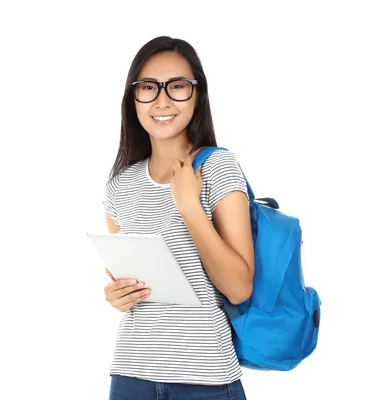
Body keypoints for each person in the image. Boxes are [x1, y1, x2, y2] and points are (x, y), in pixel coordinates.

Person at [102, 36, 254, 400]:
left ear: (196, 95)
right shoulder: (120, 185)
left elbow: (238, 287)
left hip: (206, 379)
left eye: (178, 86)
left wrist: (189, 207)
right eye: (149, 88)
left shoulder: (218, 167)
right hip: (130, 374)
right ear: (133, 98)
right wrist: (118, 295)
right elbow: (132, 283)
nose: (163, 100)